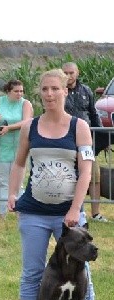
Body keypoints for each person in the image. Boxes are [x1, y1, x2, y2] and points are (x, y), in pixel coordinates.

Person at [8, 69, 98, 300]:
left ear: (65, 91)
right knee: (32, 272)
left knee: (83, 273)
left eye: (55, 89)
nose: (49, 94)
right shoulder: (29, 127)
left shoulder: (79, 127)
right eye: (45, 89)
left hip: (68, 217)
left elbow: (86, 172)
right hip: (34, 212)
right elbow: (20, 163)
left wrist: (75, 209)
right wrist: (13, 193)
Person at [63, 61, 109, 222]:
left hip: (87, 141)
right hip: (66, 139)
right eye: (65, 73)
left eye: (71, 73)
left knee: (93, 175)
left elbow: (94, 114)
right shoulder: (59, 91)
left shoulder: (86, 90)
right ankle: (71, 209)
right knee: (69, 176)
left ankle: (95, 213)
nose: (68, 76)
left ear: (78, 73)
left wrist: (104, 137)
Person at [0, 79, 34, 219]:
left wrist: (9, 128)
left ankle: (21, 212)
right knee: (2, 182)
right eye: (16, 91)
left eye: (21, 91)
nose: (19, 94)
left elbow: (27, 121)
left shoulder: (26, 104)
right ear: (8, 91)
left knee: (19, 183)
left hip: (19, 147)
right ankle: (2, 214)